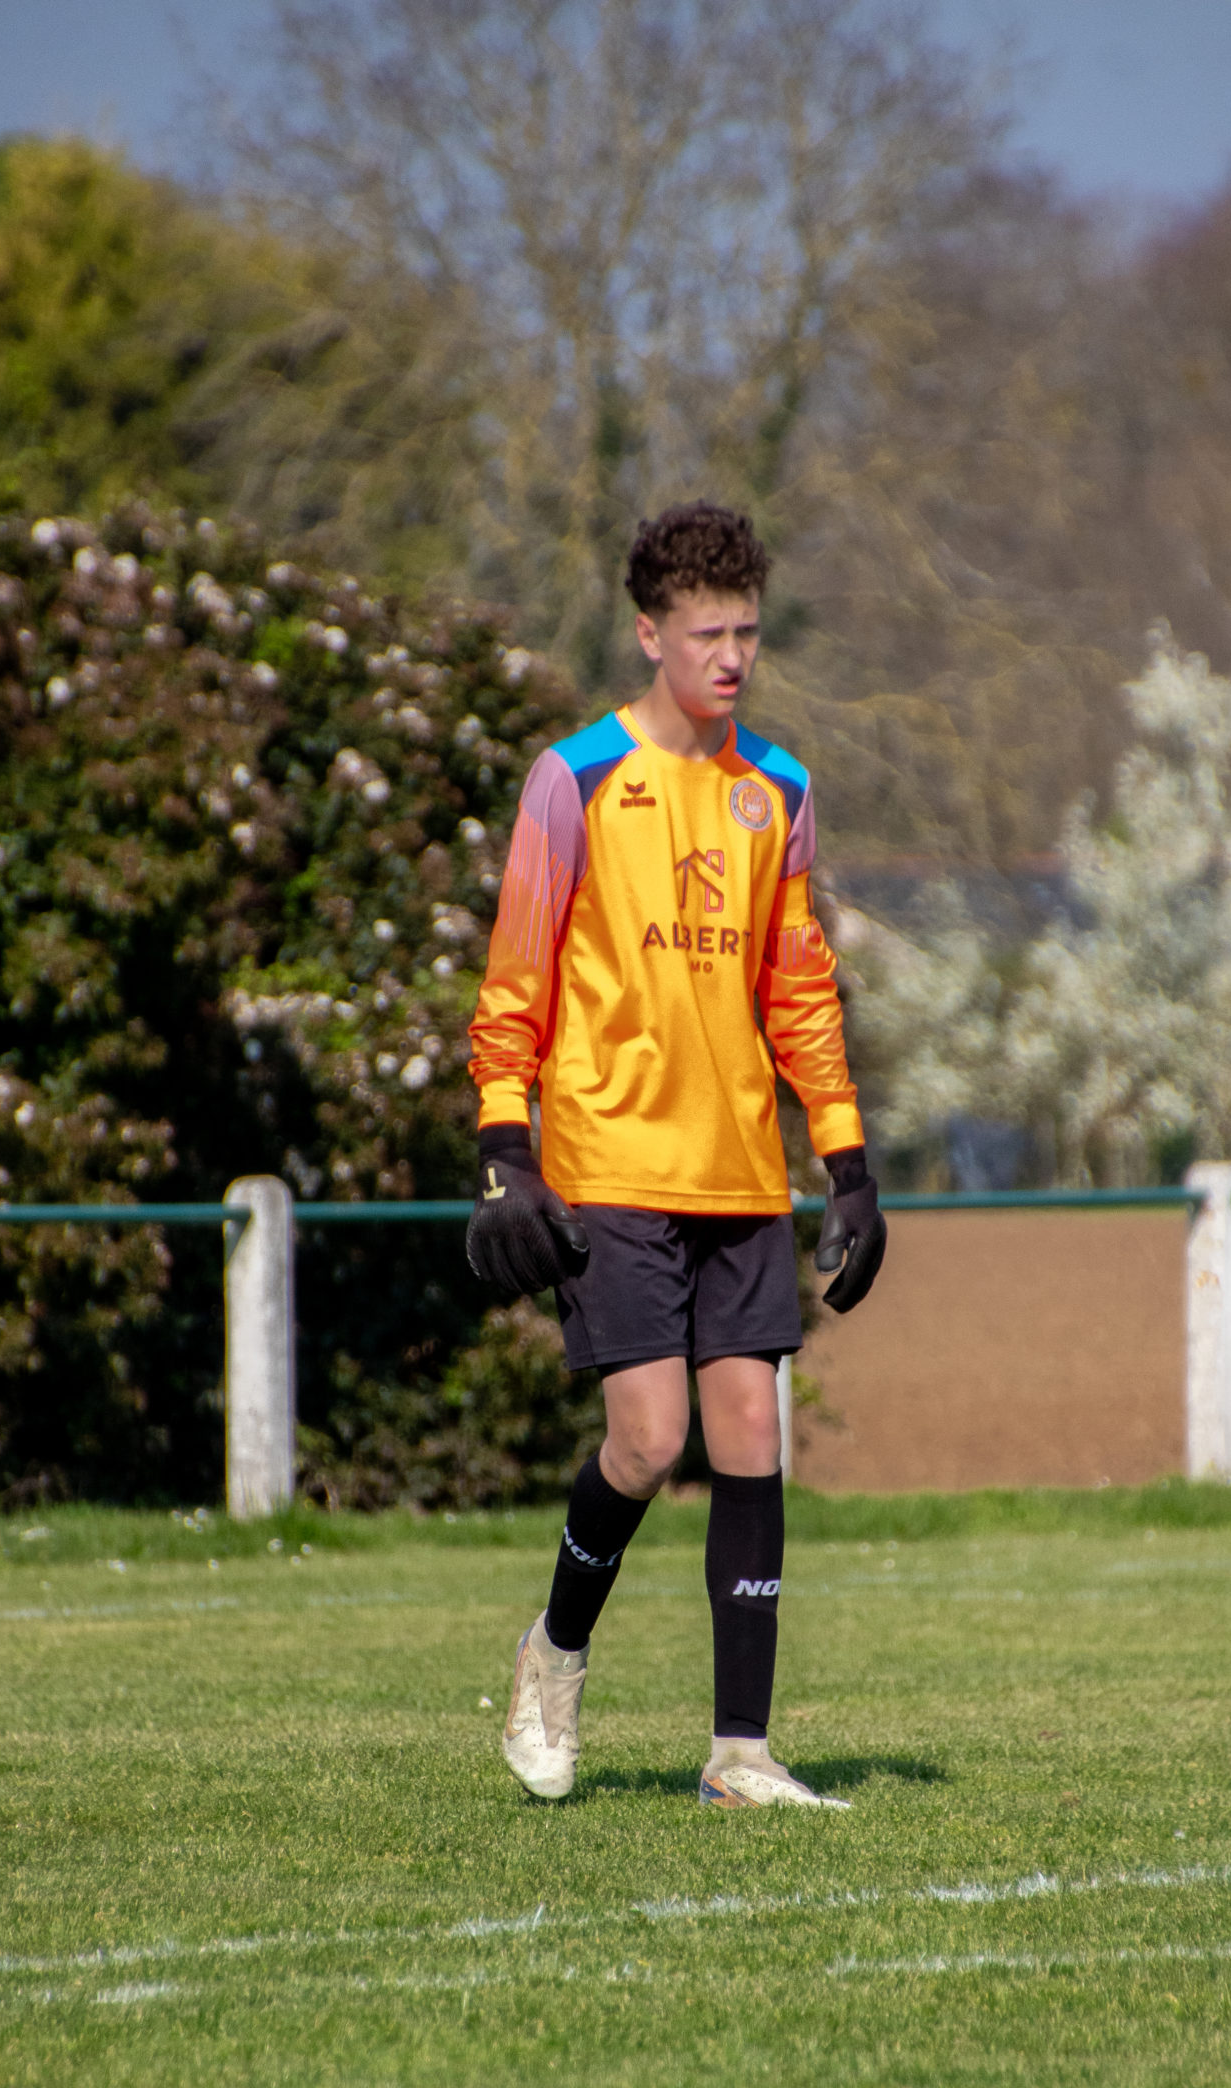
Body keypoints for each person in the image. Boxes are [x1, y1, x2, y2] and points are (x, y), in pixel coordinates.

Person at [466, 500, 885, 1809]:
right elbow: (515, 981)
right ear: (650, 633)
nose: (732, 657)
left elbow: (799, 989)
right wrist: (505, 1150)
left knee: (750, 1436)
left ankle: (740, 1755)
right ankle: (554, 1653)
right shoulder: (576, 777)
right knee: (648, 1444)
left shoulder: (781, 791)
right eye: (707, 634)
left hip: (741, 1173)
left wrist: (848, 1162)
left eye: (747, 632)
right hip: (609, 1165)